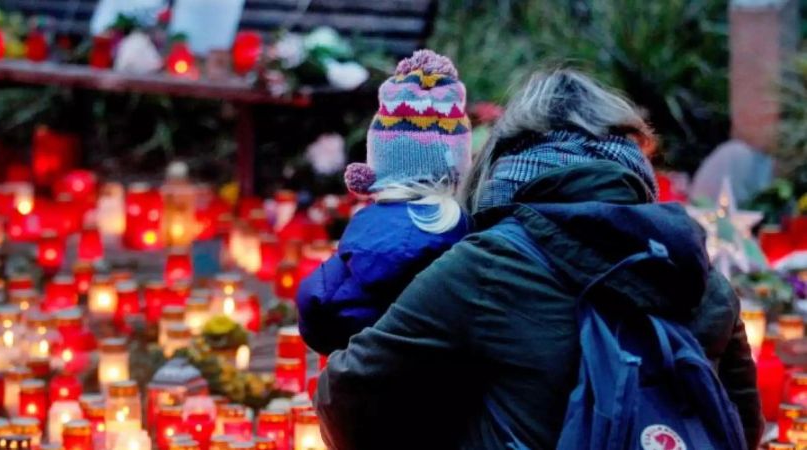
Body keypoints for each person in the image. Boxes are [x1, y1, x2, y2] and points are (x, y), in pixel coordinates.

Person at [314, 68, 762, 450]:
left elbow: (345, 392)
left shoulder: (488, 266)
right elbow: (740, 426)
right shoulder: (700, 277)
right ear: (635, 171)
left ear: (505, 166)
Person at [296, 49, 473, 355]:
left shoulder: (360, 237)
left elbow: (315, 303)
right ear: (459, 168)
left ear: (376, 169)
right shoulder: (470, 237)